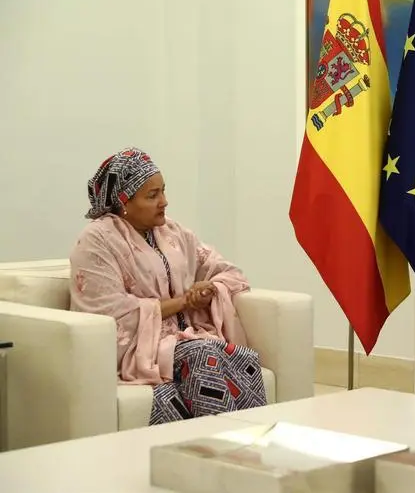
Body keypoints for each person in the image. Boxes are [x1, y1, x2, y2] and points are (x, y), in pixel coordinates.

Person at [69, 147, 267, 425]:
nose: (164, 201)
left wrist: (208, 288)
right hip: (138, 348)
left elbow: (228, 272)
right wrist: (184, 302)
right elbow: (110, 314)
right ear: (123, 201)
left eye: (163, 191)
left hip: (184, 338)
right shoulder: (97, 241)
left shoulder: (172, 232)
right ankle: (226, 449)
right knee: (202, 354)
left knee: (240, 357)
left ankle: (251, 447)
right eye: (152, 196)